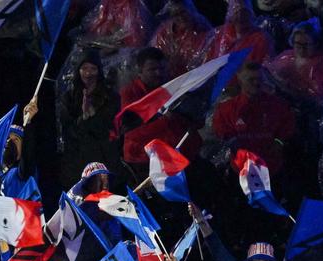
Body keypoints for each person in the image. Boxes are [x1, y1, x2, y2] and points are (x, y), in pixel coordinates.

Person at [116, 47, 203, 175]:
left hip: (179, 152)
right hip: (146, 159)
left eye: (162, 69)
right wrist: (165, 120)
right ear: (140, 72)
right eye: (152, 70)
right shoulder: (130, 93)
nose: (158, 73)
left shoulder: (174, 85)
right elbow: (132, 133)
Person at [211, 62, 297, 174]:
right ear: (240, 80)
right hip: (241, 170)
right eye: (251, 79)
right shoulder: (227, 109)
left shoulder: (277, 106)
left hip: (271, 169)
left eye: (259, 79)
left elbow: (287, 127)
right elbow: (221, 130)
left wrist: (279, 142)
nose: (256, 83)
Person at [58, 50, 121, 189]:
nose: (88, 73)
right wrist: (84, 116)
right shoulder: (69, 98)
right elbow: (68, 129)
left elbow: (108, 127)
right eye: (84, 68)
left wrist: (91, 113)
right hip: (76, 162)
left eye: (93, 68)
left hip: (103, 159)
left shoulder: (111, 97)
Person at [265, 19, 323, 106]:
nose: (302, 49)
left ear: (315, 43)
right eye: (298, 44)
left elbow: (320, 96)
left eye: (306, 44)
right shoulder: (287, 56)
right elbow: (272, 72)